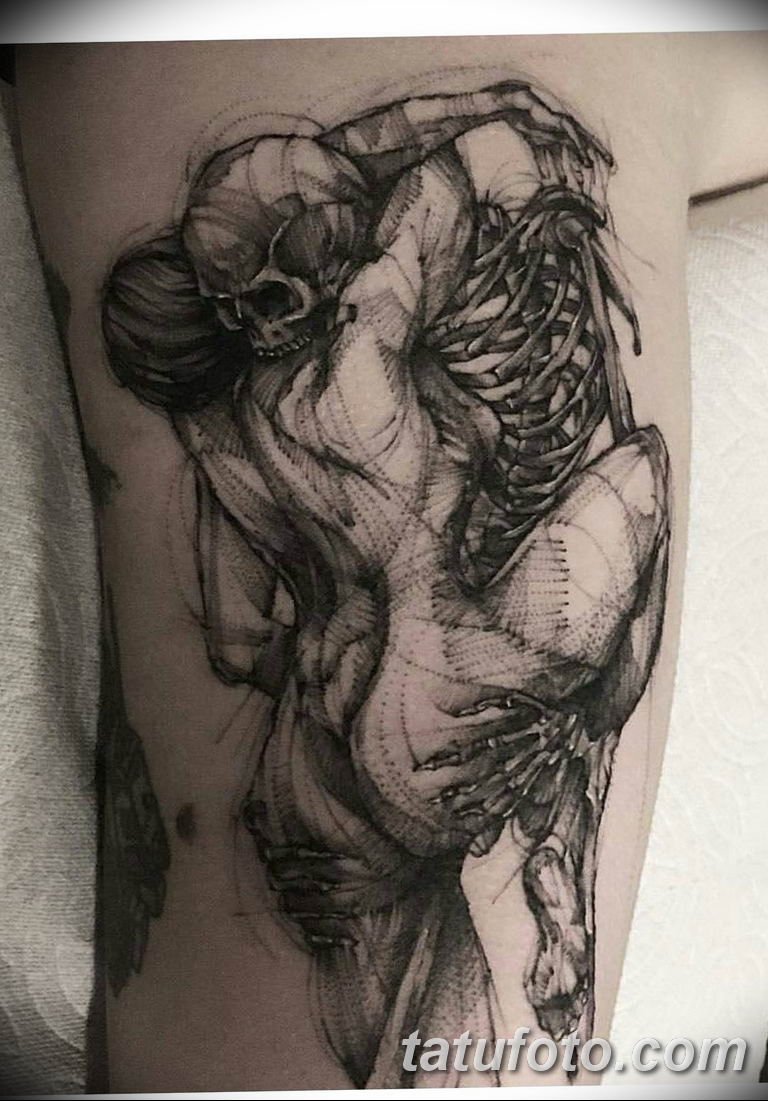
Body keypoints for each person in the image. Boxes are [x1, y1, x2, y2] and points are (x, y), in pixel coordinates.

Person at [14, 32, 768, 1089]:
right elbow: (438, 188)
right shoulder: (363, 340)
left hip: (353, 741)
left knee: (419, 1017)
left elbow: (237, 640)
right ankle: (556, 810)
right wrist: (470, 126)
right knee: (637, 476)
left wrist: (344, 614)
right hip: (468, 675)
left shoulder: (243, 430)